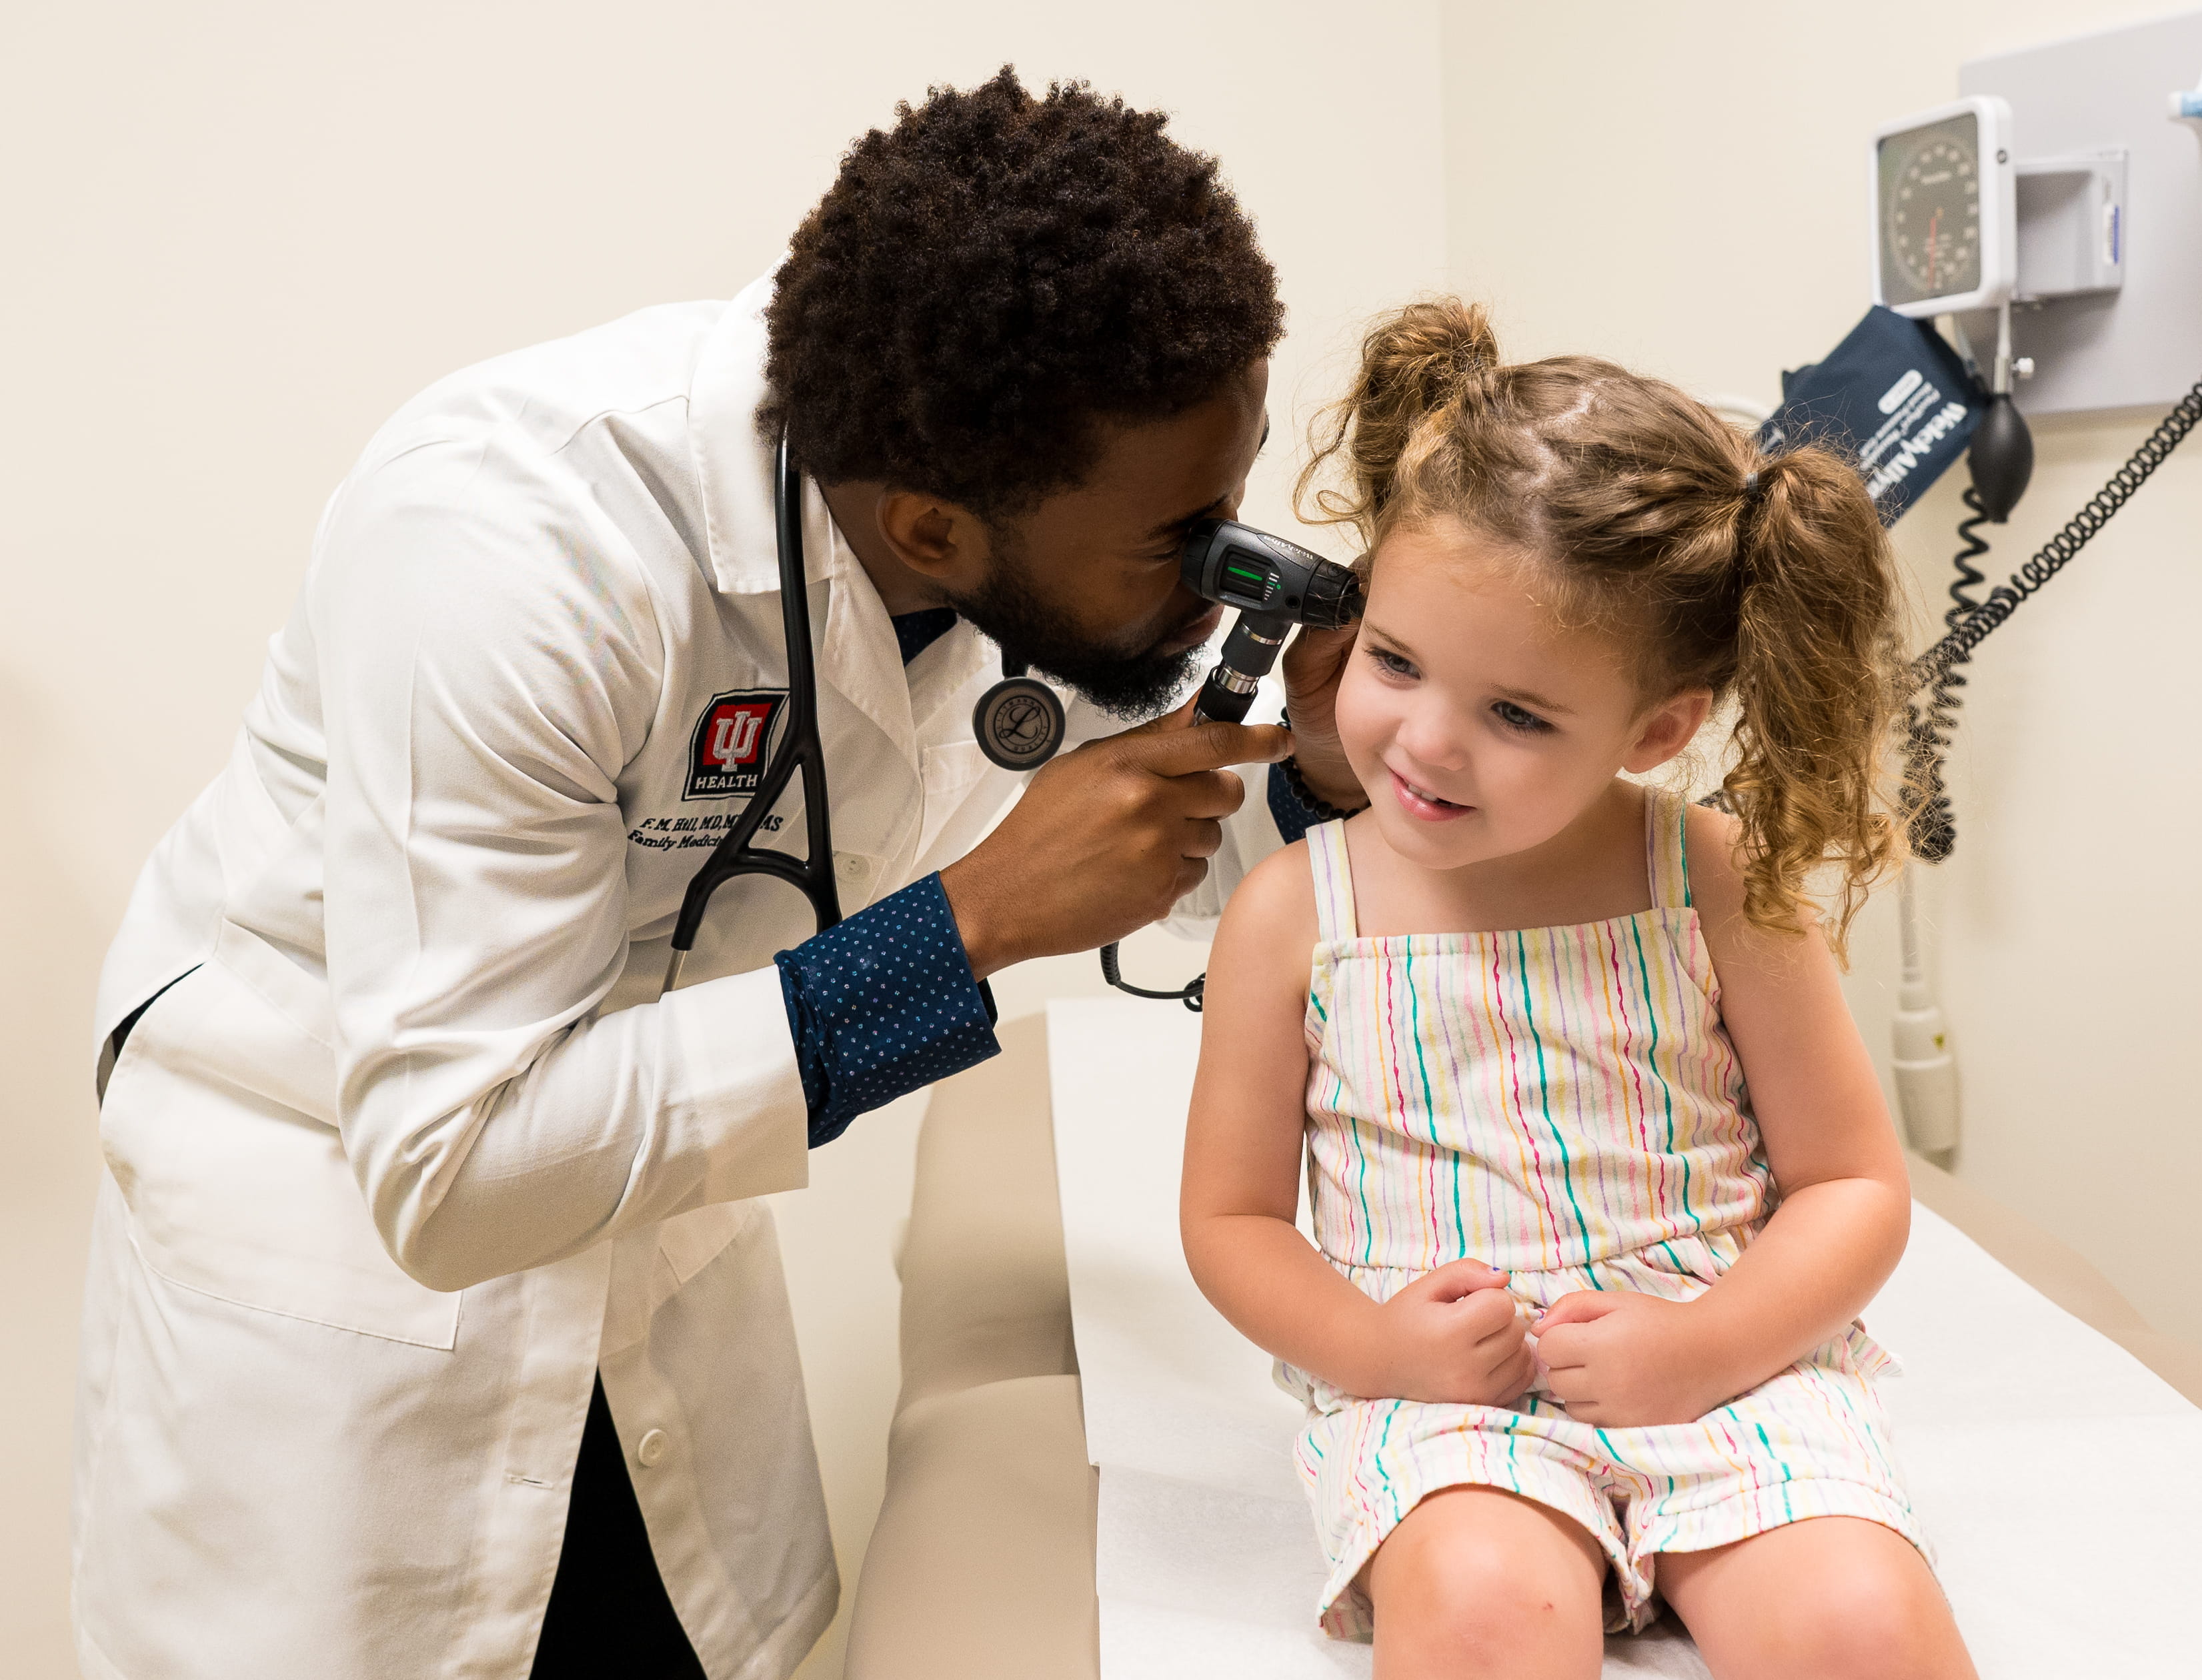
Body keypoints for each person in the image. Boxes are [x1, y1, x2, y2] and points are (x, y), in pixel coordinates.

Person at [75, 71, 1365, 1680]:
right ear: (931, 529)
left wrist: (1318, 774)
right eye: (1180, 537)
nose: (1225, 567)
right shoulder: (511, 549)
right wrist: (963, 930)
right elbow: (457, 1170)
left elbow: (1107, 847)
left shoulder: (984, 491)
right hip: (352, 1280)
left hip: (644, 1267)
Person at [1180, 299, 1980, 1679]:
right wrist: (1374, 1348)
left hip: (1726, 1364)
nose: (1425, 741)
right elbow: (1231, 1221)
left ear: (1656, 729)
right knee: (1484, 1607)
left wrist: (1705, 1345)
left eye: (1516, 714)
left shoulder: (1711, 876)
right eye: (1393, 660)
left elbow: (1851, 1185)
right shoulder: (1291, 912)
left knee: (1860, 1624)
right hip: (1451, 1399)